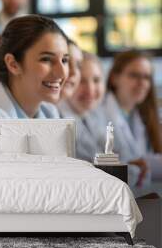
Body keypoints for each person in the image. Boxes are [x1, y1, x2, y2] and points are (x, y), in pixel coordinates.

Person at [0, 15, 69, 119]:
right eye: (46, 59)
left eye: (64, 60)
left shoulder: (49, 112)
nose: (62, 73)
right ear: (13, 64)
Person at [102, 50, 162, 188]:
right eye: (134, 75)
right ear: (114, 78)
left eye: (146, 77)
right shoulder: (99, 114)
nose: (142, 83)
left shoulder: (141, 116)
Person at [58, 52, 106, 162]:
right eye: (81, 81)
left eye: (96, 80)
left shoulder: (93, 115)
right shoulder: (59, 121)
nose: (90, 89)